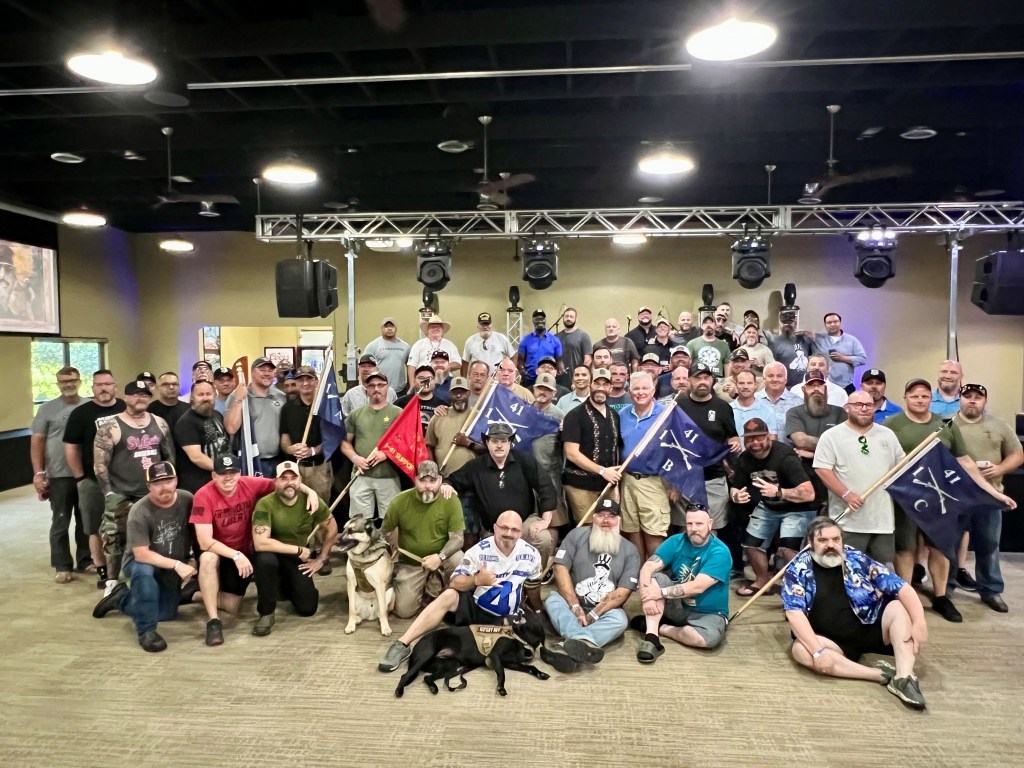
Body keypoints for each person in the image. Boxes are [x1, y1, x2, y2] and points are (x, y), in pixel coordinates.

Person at [884, 378, 1015, 623]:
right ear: (905, 398)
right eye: (914, 396)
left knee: (940, 547)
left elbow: (965, 462)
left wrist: (994, 493)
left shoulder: (945, 425)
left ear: (930, 399)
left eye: (924, 396)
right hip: (905, 499)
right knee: (905, 548)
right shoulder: (892, 425)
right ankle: (905, 597)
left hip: (939, 498)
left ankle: (941, 596)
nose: (920, 400)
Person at [782, 518, 928, 710]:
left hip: (870, 626)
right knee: (800, 650)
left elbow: (902, 588)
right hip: (831, 641)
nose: (831, 545)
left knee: (899, 607)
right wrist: (818, 652)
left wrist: (919, 622)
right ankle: (879, 674)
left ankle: (904, 676)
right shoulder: (797, 569)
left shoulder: (856, 557)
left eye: (836, 539)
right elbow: (794, 613)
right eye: (823, 540)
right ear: (810, 543)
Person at [378, 510, 543, 673]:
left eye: (514, 529)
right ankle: (402, 644)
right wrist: (477, 580)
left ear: (520, 533)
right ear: (495, 528)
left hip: (506, 618)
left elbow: (533, 586)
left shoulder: (531, 554)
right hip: (476, 610)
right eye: (504, 528)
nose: (509, 533)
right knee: (449, 594)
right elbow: (455, 582)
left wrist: (538, 611)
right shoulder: (479, 551)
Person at [190, 453, 319, 645]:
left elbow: (283, 483)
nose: (228, 477)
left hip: (242, 552)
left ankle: (194, 593)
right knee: (208, 558)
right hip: (220, 552)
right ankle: (213, 622)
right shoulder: (203, 495)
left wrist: (310, 492)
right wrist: (236, 555)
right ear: (214, 475)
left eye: (233, 472)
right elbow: (204, 541)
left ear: (239, 473)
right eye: (223, 473)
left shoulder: (249, 484)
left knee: (233, 606)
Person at [91, 461, 195, 653]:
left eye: (168, 481)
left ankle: (121, 598)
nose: (164, 487)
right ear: (148, 486)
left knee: (166, 614)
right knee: (144, 576)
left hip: (169, 563)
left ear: (176, 480)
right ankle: (146, 632)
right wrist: (178, 565)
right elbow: (142, 554)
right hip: (140, 561)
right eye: (157, 483)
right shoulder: (139, 511)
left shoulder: (187, 499)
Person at [542, 498, 640, 670]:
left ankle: (570, 643)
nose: (606, 520)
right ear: (593, 518)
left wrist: (594, 614)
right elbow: (560, 569)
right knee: (552, 600)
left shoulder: (630, 550)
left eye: (611, 516)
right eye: (601, 515)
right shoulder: (575, 535)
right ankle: (585, 641)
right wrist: (575, 606)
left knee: (620, 619)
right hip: (571, 604)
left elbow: (623, 592)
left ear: (619, 520)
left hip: (604, 611)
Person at [951, 383, 1023, 612]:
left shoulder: (999, 425)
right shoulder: (947, 425)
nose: (972, 400)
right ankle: (946, 588)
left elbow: (1017, 454)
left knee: (989, 545)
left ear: (985, 400)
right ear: (960, 399)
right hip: (955, 496)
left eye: (977, 397)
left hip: (989, 496)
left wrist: (1000, 468)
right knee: (949, 544)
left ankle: (991, 590)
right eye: (967, 396)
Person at [94, 380, 175, 585]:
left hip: (152, 491)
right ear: (126, 397)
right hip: (121, 492)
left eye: (145, 395)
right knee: (114, 537)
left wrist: (168, 485)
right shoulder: (110, 426)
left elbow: (169, 458)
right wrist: (108, 493)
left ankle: (156, 577)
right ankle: (112, 582)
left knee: (157, 534)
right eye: (136, 394)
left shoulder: (159, 423)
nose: (141, 398)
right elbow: (100, 464)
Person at [444, 423, 559, 565]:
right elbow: (452, 480)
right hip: (492, 529)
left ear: (510, 443)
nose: (499, 445)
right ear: (487, 443)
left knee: (543, 539)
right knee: (492, 566)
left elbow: (545, 486)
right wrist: (446, 485)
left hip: (524, 523)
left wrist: (545, 521)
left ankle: (535, 576)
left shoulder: (523, 460)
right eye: (494, 441)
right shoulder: (476, 466)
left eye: (503, 441)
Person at [813, 391, 905, 563]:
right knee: (847, 568)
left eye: (869, 405)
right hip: (848, 520)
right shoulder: (831, 436)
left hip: (882, 520)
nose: (864, 409)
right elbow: (822, 469)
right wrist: (846, 494)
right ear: (847, 408)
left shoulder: (887, 434)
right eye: (858, 405)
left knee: (881, 569)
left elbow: (901, 467)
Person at [729, 418, 816, 595]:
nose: (755, 442)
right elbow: (735, 486)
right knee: (751, 545)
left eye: (759, 437)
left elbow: (809, 493)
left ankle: (799, 589)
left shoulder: (785, 457)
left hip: (798, 507)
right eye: (750, 439)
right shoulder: (745, 458)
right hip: (769, 506)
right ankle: (762, 581)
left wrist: (779, 492)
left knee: (787, 549)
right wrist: (736, 496)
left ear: (768, 436)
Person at [251, 461, 337, 636]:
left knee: (308, 608)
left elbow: (332, 528)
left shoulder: (312, 502)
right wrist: (297, 550)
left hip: (296, 558)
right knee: (265, 560)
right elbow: (260, 543)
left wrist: (322, 558)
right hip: (273, 554)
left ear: (300, 480)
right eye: (283, 479)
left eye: (293, 478)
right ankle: (266, 613)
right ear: (275, 482)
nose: (289, 482)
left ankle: (283, 586)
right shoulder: (265, 504)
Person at [635, 506, 731, 661]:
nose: (694, 529)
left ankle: (662, 628)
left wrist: (659, 593)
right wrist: (647, 595)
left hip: (708, 613)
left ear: (710, 524)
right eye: (689, 524)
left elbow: (698, 587)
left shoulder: (720, 552)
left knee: (707, 639)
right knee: (656, 578)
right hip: (678, 606)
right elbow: (648, 566)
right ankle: (651, 638)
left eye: (699, 524)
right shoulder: (675, 541)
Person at [63, 369, 126, 588]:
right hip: (92, 480)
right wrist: (80, 477)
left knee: (124, 525)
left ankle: (124, 566)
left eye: (108, 384)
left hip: (123, 480)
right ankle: (102, 570)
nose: (104, 388)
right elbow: (71, 447)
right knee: (94, 527)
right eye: (99, 385)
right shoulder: (81, 413)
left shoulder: (125, 408)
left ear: (115, 386)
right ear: (92, 388)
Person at [382, 461, 465, 618]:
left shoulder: (451, 500)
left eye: (432, 481)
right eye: (422, 480)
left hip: (442, 557)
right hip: (412, 562)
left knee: (460, 559)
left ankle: (454, 597)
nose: (427, 486)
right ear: (415, 480)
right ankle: (426, 588)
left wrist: (439, 557)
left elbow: (458, 539)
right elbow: (385, 533)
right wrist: (391, 552)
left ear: (440, 481)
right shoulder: (399, 501)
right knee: (404, 612)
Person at [32, 366, 89, 582]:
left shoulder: (88, 406)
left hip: (85, 473)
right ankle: (62, 565)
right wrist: (39, 473)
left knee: (86, 519)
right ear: (57, 384)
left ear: (79, 381)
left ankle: (86, 560)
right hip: (58, 474)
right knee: (61, 520)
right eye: (64, 381)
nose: (69, 384)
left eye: (72, 380)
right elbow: (37, 441)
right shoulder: (46, 409)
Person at [676, 363, 741, 538]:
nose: (702, 382)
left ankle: (710, 558)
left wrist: (735, 442)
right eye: (698, 378)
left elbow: (732, 436)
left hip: (714, 478)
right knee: (687, 529)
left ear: (712, 380)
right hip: (685, 479)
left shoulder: (723, 407)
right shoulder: (678, 406)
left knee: (711, 529)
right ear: (689, 381)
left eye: (706, 377)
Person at [618, 372, 670, 561]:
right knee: (632, 530)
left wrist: (674, 483)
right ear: (629, 392)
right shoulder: (622, 415)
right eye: (636, 388)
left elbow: (677, 450)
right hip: (627, 479)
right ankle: (637, 571)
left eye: (645, 388)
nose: (641, 392)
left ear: (653, 391)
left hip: (654, 481)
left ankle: (653, 572)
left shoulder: (666, 414)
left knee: (654, 531)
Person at [561, 368, 622, 524]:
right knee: (587, 529)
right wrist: (602, 471)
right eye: (597, 383)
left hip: (608, 485)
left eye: (605, 384)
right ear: (590, 384)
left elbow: (615, 449)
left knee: (608, 527)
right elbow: (571, 453)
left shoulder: (614, 415)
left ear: (610, 388)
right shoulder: (574, 415)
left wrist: (615, 482)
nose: (601, 388)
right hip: (580, 485)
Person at [341, 369, 402, 522]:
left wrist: (386, 453)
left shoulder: (398, 414)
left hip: (389, 476)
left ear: (387, 387)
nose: (376, 389)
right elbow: (345, 442)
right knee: (359, 523)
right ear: (366, 389)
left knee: (390, 522)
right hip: (360, 475)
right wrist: (355, 458)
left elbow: (406, 443)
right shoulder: (356, 414)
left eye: (380, 385)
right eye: (372, 385)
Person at [785, 371, 847, 505]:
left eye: (819, 385)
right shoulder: (794, 413)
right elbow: (800, 441)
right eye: (811, 385)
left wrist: (812, 454)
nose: (816, 389)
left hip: (835, 474)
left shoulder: (839, 413)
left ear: (825, 388)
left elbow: (844, 445)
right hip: (805, 475)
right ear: (804, 389)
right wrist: (831, 446)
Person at [224, 357, 287, 477]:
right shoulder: (237, 396)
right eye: (262, 370)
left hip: (278, 460)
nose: (267, 373)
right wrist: (238, 400)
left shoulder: (281, 396)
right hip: (250, 461)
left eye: (270, 370)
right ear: (252, 372)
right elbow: (231, 428)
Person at [279, 366, 332, 500]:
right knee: (293, 506)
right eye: (300, 380)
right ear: (296, 383)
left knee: (320, 507)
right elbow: (284, 436)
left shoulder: (327, 406)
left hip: (319, 468)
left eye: (309, 379)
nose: (305, 383)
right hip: (295, 469)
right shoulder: (287, 408)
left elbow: (333, 438)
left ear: (316, 382)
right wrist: (289, 449)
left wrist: (312, 451)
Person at [173, 379, 230, 494]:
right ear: (192, 397)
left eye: (208, 394)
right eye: (200, 394)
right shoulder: (186, 422)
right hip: (198, 485)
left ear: (214, 395)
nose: (205, 398)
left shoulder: (217, 415)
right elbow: (196, 457)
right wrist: (223, 469)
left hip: (219, 479)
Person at [813, 313, 867, 394]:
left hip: (845, 387)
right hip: (822, 386)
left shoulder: (852, 340)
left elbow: (862, 359)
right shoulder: (818, 339)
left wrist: (843, 358)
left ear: (840, 323)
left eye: (835, 322)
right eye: (829, 322)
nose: (832, 324)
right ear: (825, 325)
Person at [755, 361, 804, 444]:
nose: (775, 379)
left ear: (785, 379)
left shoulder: (798, 403)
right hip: (758, 450)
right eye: (770, 376)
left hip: (789, 451)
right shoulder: (753, 400)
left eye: (779, 376)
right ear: (764, 379)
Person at [407, 314, 461, 388]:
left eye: (438, 327)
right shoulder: (418, 344)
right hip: (423, 381)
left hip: (445, 381)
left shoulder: (450, 345)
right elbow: (411, 365)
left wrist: (444, 367)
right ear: (428, 330)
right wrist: (412, 385)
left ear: (442, 330)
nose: (435, 329)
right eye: (432, 327)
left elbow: (458, 363)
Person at [766, 308, 815, 388]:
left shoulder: (804, 339)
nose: (787, 325)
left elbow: (814, 357)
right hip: (786, 387)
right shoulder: (774, 343)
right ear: (780, 324)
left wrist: (810, 336)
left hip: (806, 386)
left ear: (795, 323)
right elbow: (772, 367)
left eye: (790, 322)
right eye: (784, 322)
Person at [364, 317, 411, 394]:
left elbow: (410, 367)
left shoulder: (405, 347)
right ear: (381, 328)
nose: (389, 329)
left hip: (400, 391)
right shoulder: (373, 346)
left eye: (392, 326)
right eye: (386, 326)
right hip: (379, 390)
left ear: (396, 328)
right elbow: (364, 368)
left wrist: (410, 386)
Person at [517, 309, 563, 387]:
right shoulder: (525, 340)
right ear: (533, 321)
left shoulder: (555, 340)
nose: (540, 321)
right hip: (529, 381)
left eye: (542, 319)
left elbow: (559, 361)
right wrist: (524, 373)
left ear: (545, 320)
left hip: (549, 380)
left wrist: (560, 370)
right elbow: (520, 361)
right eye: (537, 319)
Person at [395, 365, 447, 432]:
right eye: (421, 378)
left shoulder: (443, 405)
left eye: (429, 378)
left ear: (434, 382)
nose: (425, 381)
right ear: (414, 380)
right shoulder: (400, 403)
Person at [730, 370, 777, 441]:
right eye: (741, 383)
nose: (745, 387)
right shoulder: (727, 409)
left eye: (749, 383)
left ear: (755, 385)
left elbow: (772, 441)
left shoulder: (767, 411)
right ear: (736, 385)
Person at [555, 307, 593, 384]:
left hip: (577, 380)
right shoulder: (556, 337)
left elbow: (588, 360)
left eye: (571, 317)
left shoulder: (583, 336)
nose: (568, 319)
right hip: (559, 380)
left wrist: (580, 377)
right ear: (563, 318)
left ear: (576, 319)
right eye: (566, 316)